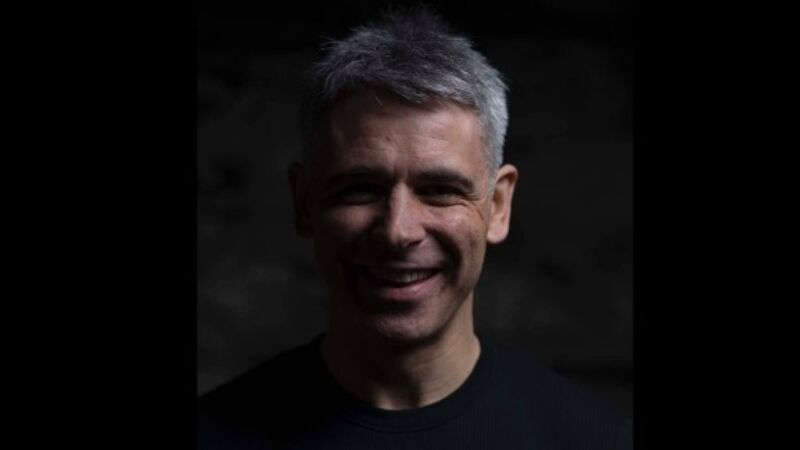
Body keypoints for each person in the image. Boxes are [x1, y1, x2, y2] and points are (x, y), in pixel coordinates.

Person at [198, 7, 632, 450]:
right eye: (361, 189)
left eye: (440, 190)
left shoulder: (597, 441)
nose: (398, 232)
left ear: (498, 206)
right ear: (304, 203)